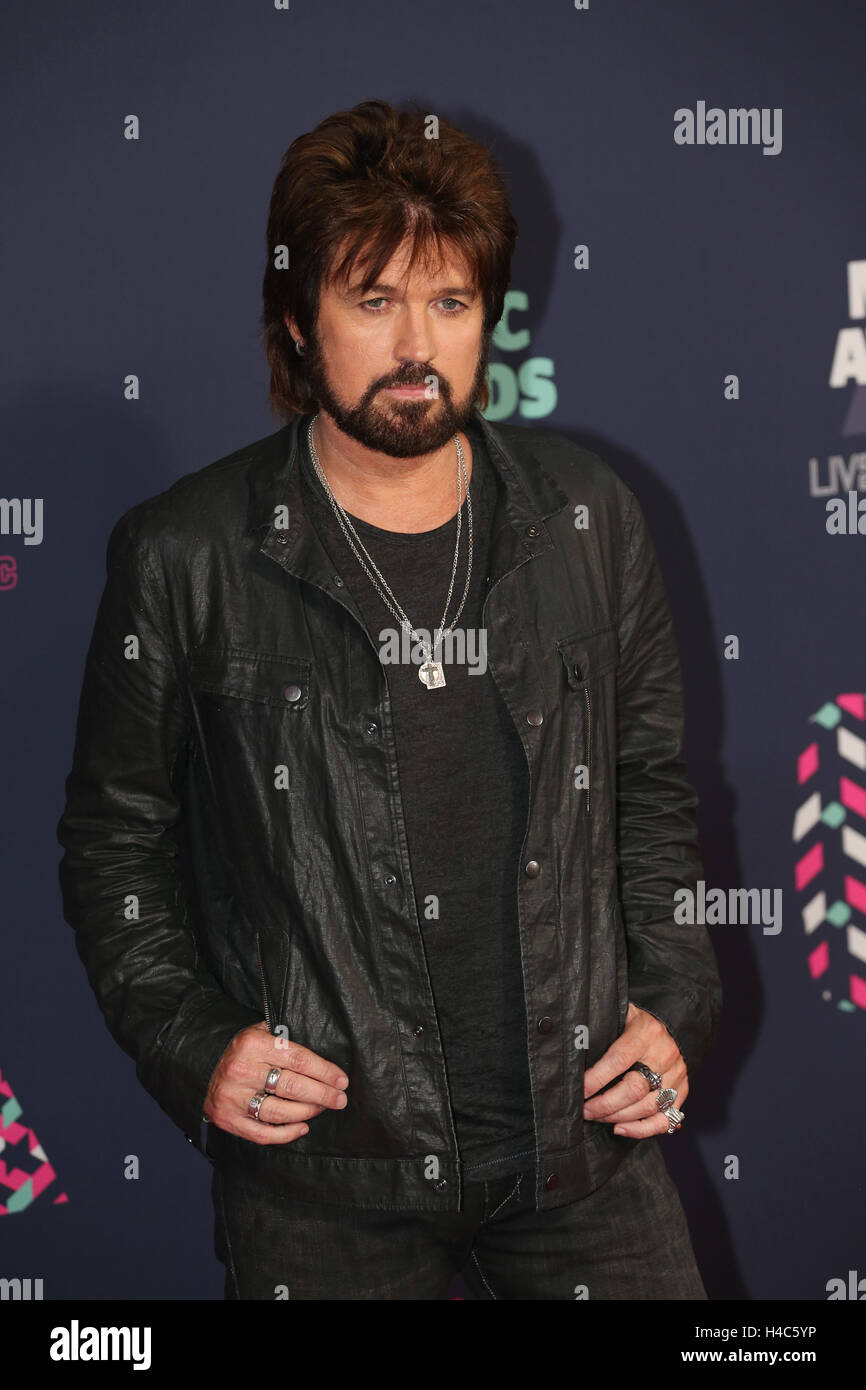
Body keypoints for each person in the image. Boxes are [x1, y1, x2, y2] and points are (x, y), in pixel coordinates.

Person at [57, 98, 722, 1300]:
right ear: (295, 323)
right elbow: (115, 843)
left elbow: (654, 795)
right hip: (327, 1187)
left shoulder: (587, 519)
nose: (417, 343)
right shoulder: (186, 554)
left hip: (583, 1158)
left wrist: (670, 996)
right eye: (373, 300)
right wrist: (190, 1042)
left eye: (451, 302)